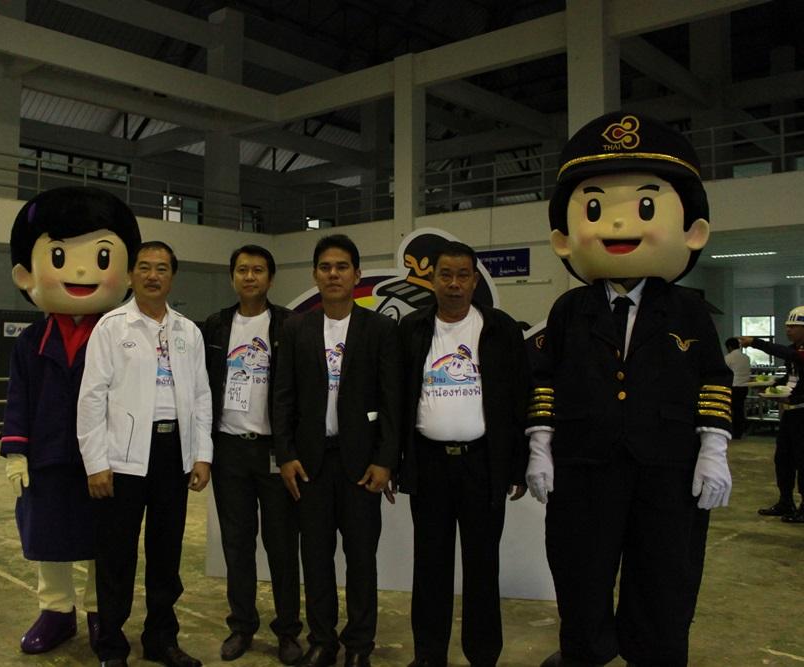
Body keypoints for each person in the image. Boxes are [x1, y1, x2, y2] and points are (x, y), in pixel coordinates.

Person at [525, 112, 733, 667]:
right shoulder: (570, 309)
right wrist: (540, 443)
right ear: (564, 237)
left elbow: (714, 377)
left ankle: (655, 655)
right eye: (594, 209)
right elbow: (544, 377)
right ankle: (585, 653)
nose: (617, 224)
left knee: (666, 573)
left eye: (645, 206)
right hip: (584, 465)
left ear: (692, 230)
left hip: (667, 467)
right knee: (579, 568)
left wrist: (713, 447)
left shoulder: (688, 310)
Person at [1, 186, 140, 654]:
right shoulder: (31, 341)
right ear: (25, 274)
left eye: (101, 257)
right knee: (48, 535)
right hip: (47, 457)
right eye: (59, 256)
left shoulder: (121, 335)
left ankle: (103, 611)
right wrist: (16, 451)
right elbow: (18, 397)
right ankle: (56, 610)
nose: (81, 271)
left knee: (104, 536)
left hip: (105, 458)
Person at [77, 241, 212, 667]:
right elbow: (91, 398)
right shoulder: (111, 327)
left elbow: (202, 396)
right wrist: (96, 463)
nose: (153, 276)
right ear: (131, 275)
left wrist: (202, 454)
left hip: (174, 453)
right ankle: (111, 644)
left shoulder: (188, 331)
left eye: (162, 268)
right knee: (116, 555)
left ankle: (161, 639)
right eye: (145, 268)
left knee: (166, 553)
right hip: (123, 457)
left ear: (173, 276)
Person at [397, 241, 530, 667]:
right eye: (445, 275)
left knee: (482, 567)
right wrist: (395, 462)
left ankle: (483, 655)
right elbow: (397, 399)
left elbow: (520, 399)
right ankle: (429, 655)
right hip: (429, 465)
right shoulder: (412, 329)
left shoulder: (500, 329)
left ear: (474, 281)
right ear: (433, 280)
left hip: (482, 465)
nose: (453, 284)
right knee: (429, 566)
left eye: (462, 275)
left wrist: (518, 466)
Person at [273, 234, 401, 667]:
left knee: (361, 559)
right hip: (310, 464)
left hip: (362, 465)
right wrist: (285, 454)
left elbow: (392, 400)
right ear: (315, 274)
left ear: (357, 274)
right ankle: (323, 640)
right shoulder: (297, 328)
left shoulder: (379, 329)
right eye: (325, 267)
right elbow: (282, 397)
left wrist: (385, 460)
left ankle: (360, 645)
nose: (333, 274)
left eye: (342, 267)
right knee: (316, 558)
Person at [202, 245, 303, 664]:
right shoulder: (215, 325)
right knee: (237, 545)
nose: (249, 277)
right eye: (242, 270)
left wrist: (291, 449)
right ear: (232, 277)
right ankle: (242, 626)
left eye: (258, 270)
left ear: (270, 278)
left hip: (274, 452)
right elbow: (203, 388)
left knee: (282, 546)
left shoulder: (291, 324)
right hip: (229, 450)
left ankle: (288, 631)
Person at [739, 306, 804, 523]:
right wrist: (771, 387)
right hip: (791, 414)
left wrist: (756, 343)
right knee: (783, 459)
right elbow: (791, 379)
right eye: (787, 326)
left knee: (802, 460)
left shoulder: (796, 353)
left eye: (793, 326)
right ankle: (786, 501)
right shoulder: (794, 351)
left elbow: (791, 356)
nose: (788, 330)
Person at [724, 337, 752, 439]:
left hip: (733, 387)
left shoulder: (728, 358)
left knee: (731, 410)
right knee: (739, 409)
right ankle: (739, 431)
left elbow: (724, 372)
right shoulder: (746, 357)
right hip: (744, 388)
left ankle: (733, 431)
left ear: (729, 347)